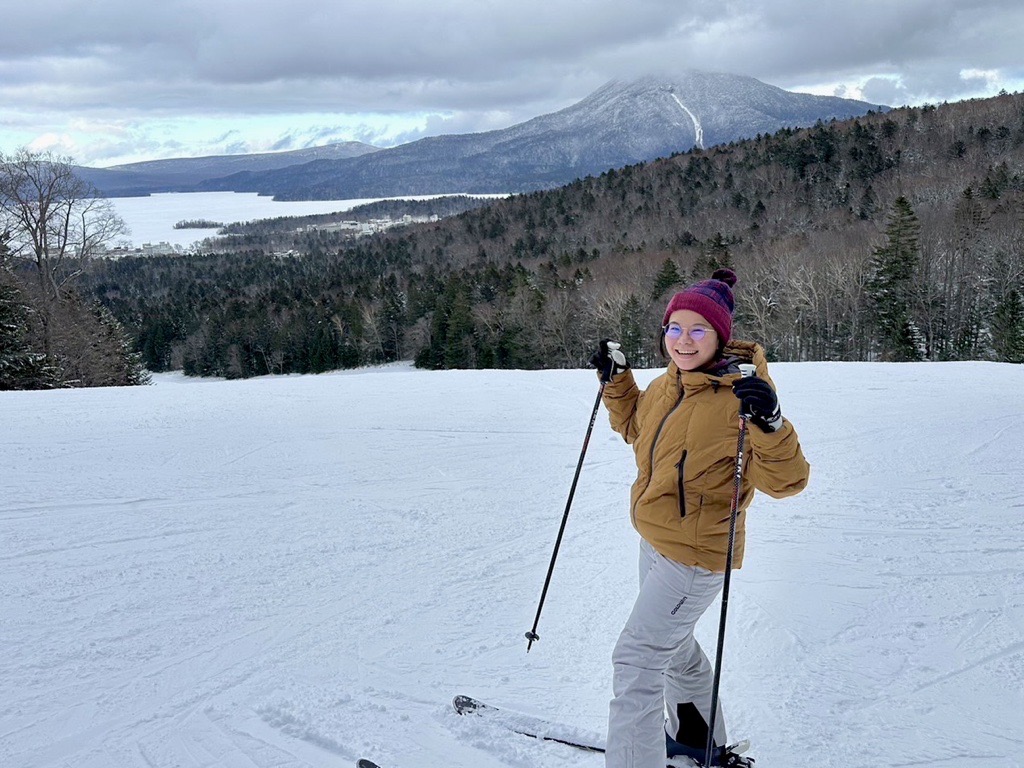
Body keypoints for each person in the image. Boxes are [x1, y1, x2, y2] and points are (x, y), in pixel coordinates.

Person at [589, 268, 810, 768]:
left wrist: (772, 424)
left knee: (638, 660)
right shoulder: (671, 386)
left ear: (720, 337)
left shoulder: (743, 397)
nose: (683, 341)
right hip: (655, 541)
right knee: (676, 647)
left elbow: (787, 481)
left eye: (697, 331)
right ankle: (696, 739)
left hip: (694, 558)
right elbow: (634, 427)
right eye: (675, 328)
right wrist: (618, 383)